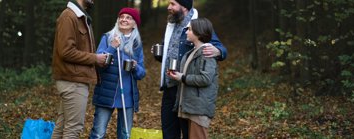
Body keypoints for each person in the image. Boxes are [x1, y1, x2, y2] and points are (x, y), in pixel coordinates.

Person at [152, 0, 227, 139]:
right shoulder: (172, 25)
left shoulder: (197, 25)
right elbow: (170, 52)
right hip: (169, 87)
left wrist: (218, 51)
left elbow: (219, 48)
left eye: (172, 4)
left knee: (188, 133)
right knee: (168, 132)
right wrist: (160, 54)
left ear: (184, 6)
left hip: (186, 90)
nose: (169, 7)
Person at [51, 0, 108, 138]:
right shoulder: (68, 16)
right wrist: (95, 58)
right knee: (73, 129)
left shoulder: (79, 16)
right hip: (72, 81)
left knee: (62, 127)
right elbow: (66, 52)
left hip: (74, 79)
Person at [89, 8, 146, 139]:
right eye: (122, 16)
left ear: (134, 23)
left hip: (127, 97)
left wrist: (135, 67)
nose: (124, 19)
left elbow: (142, 74)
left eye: (128, 18)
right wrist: (112, 47)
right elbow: (99, 65)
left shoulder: (136, 44)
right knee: (98, 134)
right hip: (106, 93)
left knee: (125, 135)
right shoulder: (108, 38)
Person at [167, 18, 219, 139]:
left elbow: (205, 79)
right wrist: (177, 76)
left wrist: (182, 77)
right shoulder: (191, 53)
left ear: (198, 32)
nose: (186, 32)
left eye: (189, 29)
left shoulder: (206, 53)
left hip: (198, 110)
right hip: (189, 108)